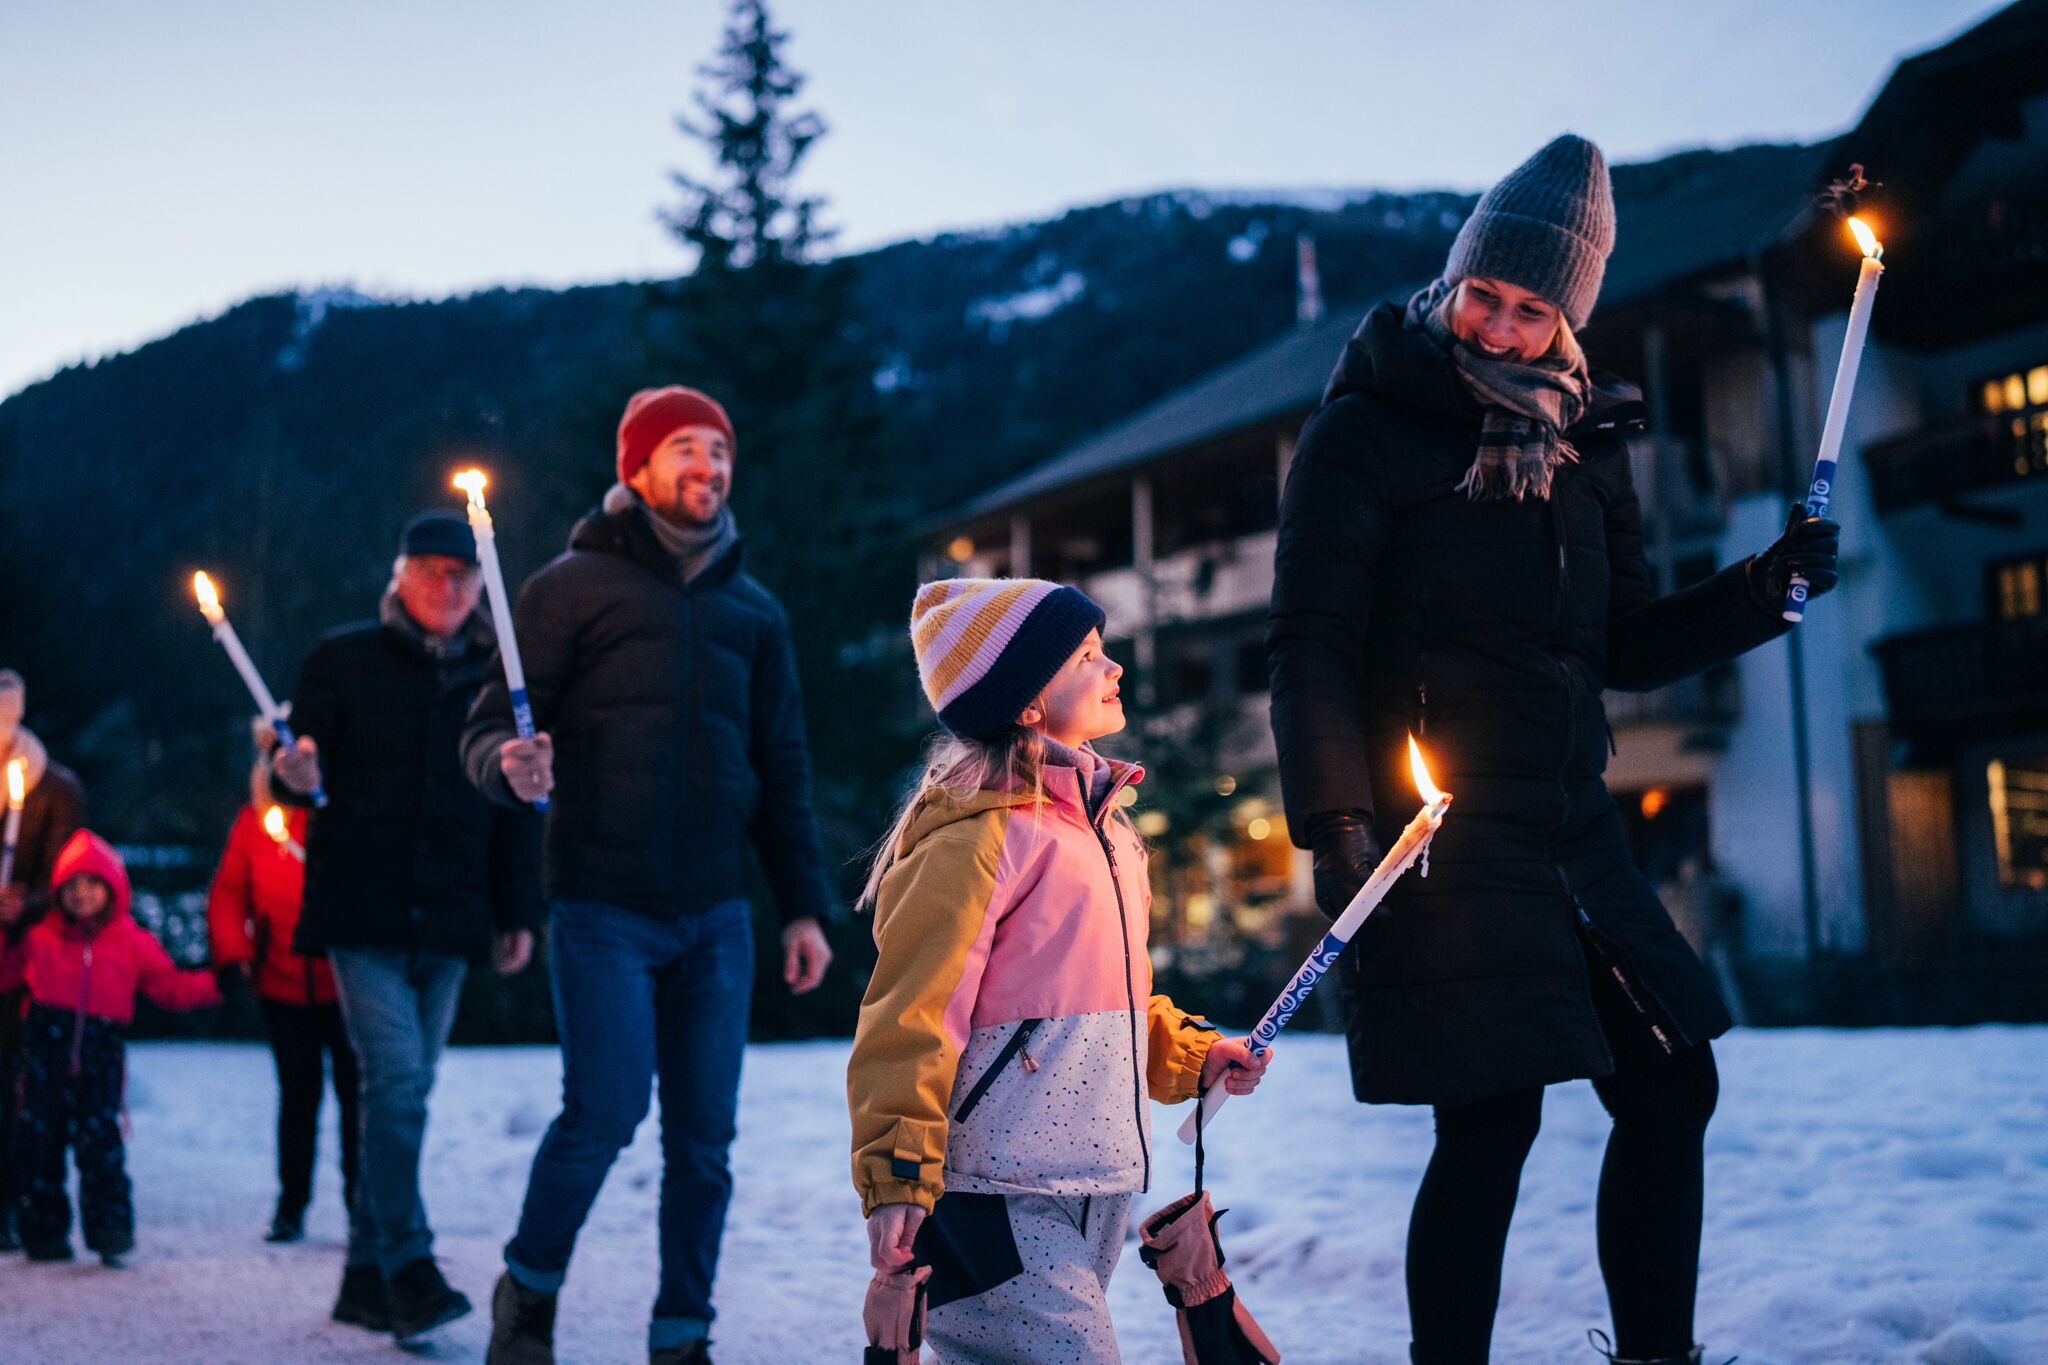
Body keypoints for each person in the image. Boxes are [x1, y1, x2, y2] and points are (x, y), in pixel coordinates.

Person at [1267, 134, 1840, 1365]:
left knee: (1670, 1084)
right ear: (1452, 273)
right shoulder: (1364, 433)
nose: (1501, 327)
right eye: (1484, 294)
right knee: (1487, 1125)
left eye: (1534, 309)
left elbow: (1620, 643)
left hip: (1572, 832)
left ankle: (1653, 1356)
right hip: (1436, 838)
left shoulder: (1588, 446)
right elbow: (1309, 643)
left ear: (1570, 315)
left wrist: (1757, 589)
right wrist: (1335, 825)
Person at [465, 386, 836, 1365]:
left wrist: (801, 906)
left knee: (703, 1148)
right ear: (636, 467)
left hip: (716, 914)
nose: (707, 467)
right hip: (602, 906)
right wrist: (508, 761)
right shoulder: (565, 588)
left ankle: (681, 1336)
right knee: (604, 1111)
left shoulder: (753, 612)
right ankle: (529, 1294)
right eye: (685, 448)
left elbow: (784, 769)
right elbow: (490, 722)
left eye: (719, 450)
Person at [847, 577, 1271, 1364]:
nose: (1112, 667)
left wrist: (1191, 1053)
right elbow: (909, 1017)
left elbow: (1110, 1003)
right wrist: (898, 1172)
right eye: (1086, 655)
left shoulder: (1104, 832)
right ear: (1027, 704)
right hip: (988, 1186)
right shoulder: (977, 840)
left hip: (1092, 1174)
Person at [273, 510, 545, 1343]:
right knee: (396, 1083)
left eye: (461, 573)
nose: (448, 584)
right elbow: (296, 764)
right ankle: (411, 1266)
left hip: (455, 913)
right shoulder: (340, 658)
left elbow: (515, 805)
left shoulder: (500, 675)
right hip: (364, 911)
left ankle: (363, 1276)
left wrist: (516, 908)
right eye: (429, 569)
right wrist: (288, 772)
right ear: (398, 575)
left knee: (405, 1093)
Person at [0, 830, 221, 1265]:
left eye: (92, 884)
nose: (82, 894)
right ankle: (43, 1232)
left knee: (101, 1148)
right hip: (45, 1059)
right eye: (72, 886)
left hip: (101, 1062)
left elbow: (170, 987)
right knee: (38, 1150)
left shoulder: (131, 943)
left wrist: (220, 982)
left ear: (112, 889)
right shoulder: (39, 939)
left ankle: (110, 1230)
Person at [207, 719, 360, 1244]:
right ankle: (292, 1203)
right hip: (284, 985)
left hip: (348, 986)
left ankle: (364, 1204)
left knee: (357, 1100)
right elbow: (229, 893)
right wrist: (235, 956)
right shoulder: (256, 823)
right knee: (298, 1099)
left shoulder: (341, 817)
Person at [0, 669, 87, 1252]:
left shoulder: (53, 789)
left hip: (21, 962)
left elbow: (70, 880)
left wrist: (24, 903)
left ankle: (10, 1201)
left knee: (12, 1082)